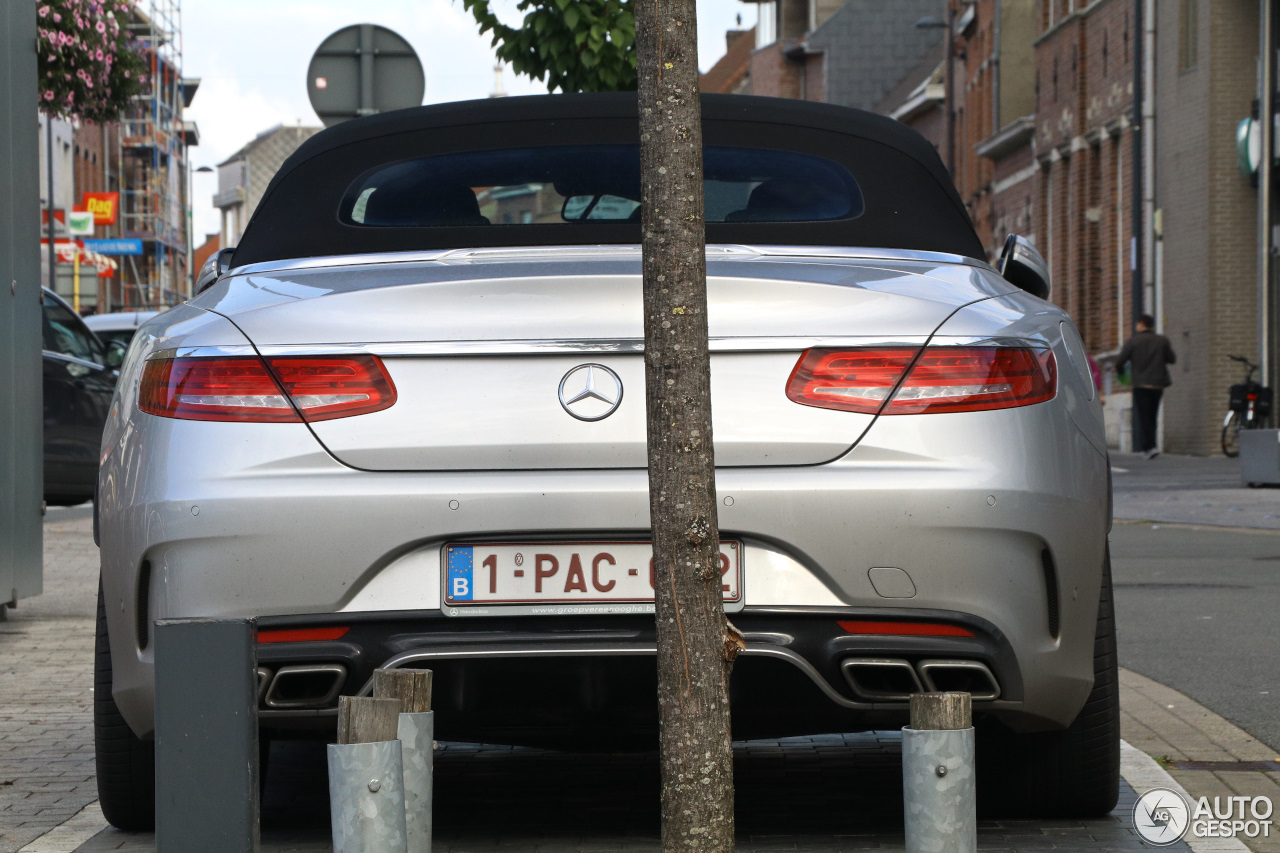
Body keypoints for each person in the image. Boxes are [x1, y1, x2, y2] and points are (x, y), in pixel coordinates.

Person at [1115, 314, 1176, 459]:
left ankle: (1149, 447)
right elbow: (1172, 359)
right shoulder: (1162, 341)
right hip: (1157, 384)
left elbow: (1120, 361)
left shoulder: (1133, 342)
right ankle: (1152, 445)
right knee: (1153, 415)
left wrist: (1122, 373)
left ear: (1141, 324)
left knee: (1144, 416)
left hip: (1140, 384)